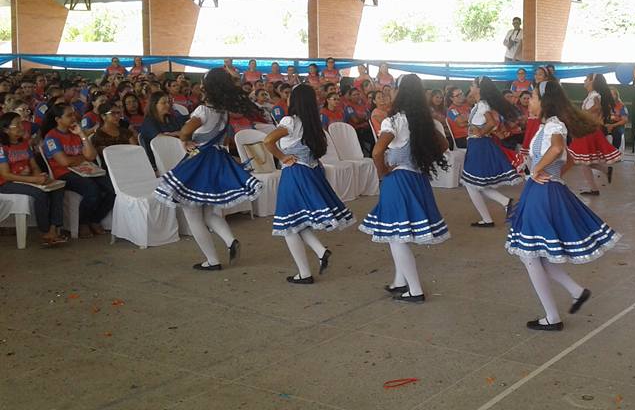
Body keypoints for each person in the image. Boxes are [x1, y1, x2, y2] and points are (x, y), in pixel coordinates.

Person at [507, 80, 620, 331]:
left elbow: (558, 149)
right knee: (536, 254)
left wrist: (538, 169)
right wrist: (549, 172)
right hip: (542, 190)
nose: (529, 101)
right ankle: (575, 292)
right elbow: (569, 157)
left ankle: (552, 316)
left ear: (544, 101)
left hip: (542, 193)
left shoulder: (553, 125)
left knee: (529, 255)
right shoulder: (548, 125)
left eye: (533, 97)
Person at [155, 68, 262, 271]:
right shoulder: (224, 112)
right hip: (217, 160)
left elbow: (186, 131)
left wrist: (185, 141)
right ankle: (230, 240)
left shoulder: (203, 111)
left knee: (192, 214)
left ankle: (212, 260)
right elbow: (223, 138)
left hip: (199, 162)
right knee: (209, 212)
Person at [358, 74, 450, 303]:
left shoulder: (395, 121)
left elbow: (377, 152)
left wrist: (383, 172)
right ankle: (400, 281)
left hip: (398, 181)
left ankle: (415, 290)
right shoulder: (426, 121)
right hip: (417, 179)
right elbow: (444, 144)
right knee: (399, 233)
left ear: (400, 92)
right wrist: (422, 159)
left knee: (396, 237)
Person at [263, 84, 354, 284]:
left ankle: (304, 273)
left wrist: (282, 157)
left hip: (295, 173)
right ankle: (320, 252)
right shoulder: (312, 122)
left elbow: (268, 140)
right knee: (298, 221)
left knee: (288, 225)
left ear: (295, 100)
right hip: (311, 171)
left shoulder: (290, 120)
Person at [41, 103, 115, 239]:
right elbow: (64, 162)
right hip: (64, 173)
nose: (73, 118)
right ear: (58, 119)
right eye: (69, 115)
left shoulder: (75, 132)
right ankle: (83, 222)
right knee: (92, 190)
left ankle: (95, 219)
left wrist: (81, 134)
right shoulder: (51, 137)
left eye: (74, 114)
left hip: (86, 170)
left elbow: (91, 156)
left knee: (113, 189)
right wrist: (82, 158)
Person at [461, 76, 523, 227]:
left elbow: (492, 123)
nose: (470, 87)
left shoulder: (482, 104)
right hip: (477, 145)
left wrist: (481, 132)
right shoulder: (479, 104)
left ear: (479, 89)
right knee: (476, 184)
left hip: (479, 146)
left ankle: (492, 215)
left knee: (471, 183)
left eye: (473, 85)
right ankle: (504, 204)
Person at [0, 112, 66, 246]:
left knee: (57, 188)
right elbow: (6, 174)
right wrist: (34, 180)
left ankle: (53, 228)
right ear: (6, 130)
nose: (22, 127)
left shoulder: (24, 143)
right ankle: (45, 231)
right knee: (40, 194)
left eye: (21, 123)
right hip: (6, 183)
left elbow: (34, 165)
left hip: (26, 178)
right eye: (17, 124)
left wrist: (39, 177)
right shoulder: (2, 147)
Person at [568, 74, 621, 196]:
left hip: (589, 130)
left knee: (584, 161)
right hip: (588, 129)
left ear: (592, 82)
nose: (584, 80)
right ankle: (604, 172)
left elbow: (597, 107)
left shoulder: (595, 95)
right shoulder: (592, 95)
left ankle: (594, 188)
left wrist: (582, 113)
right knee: (585, 160)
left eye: (587, 79)